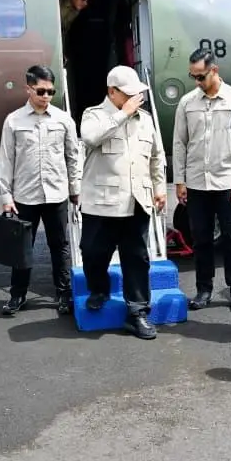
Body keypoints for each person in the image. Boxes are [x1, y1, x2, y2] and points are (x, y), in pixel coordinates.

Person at [78, 65, 167, 340]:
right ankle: (99, 289)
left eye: (136, 94)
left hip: (137, 200)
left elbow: (156, 156)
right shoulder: (94, 114)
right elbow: (90, 137)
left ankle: (137, 312)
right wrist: (122, 114)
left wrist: (159, 188)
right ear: (112, 92)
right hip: (101, 203)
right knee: (93, 252)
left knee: (137, 258)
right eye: (128, 94)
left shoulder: (145, 120)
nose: (134, 99)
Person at [172, 48, 231, 313]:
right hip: (197, 183)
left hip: (228, 182)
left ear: (214, 70)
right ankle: (203, 289)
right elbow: (179, 143)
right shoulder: (187, 103)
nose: (197, 81)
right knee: (201, 239)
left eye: (201, 76)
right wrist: (180, 180)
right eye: (193, 76)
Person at [0, 65, 81, 316]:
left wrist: (75, 189)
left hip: (56, 193)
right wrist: (6, 196)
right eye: (41, 91)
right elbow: (6, 160)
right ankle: (18, 295)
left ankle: (64, 293)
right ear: (28, 89)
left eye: (50, 91)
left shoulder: (63, 119)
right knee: (22, 248)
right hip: (25, 195)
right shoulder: (13, 120)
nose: (46, 96)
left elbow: (72, 157)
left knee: (60, 246)